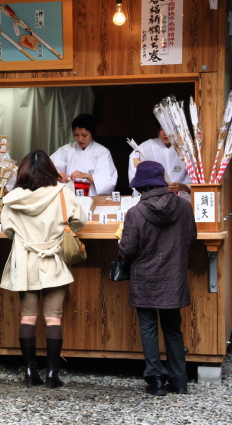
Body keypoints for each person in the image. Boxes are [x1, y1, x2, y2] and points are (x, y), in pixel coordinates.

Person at [0, 150, 86, 389]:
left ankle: (29, 372)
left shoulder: (12, 198)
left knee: (27, 316)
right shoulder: (63, 194)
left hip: (25, 262)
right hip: (53, 259)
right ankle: (52, 375)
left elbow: (7, 231)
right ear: (50, 171)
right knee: (52, 318)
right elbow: (80, 221)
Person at [119, 161, 196, 396]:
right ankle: (180, 381)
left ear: (141, 188)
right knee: (173, 329)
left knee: (149, 328)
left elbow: (127, 251)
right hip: (174, 277)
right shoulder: (183, 207)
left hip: (145, 279)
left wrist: (121, 244)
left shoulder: (136, 212)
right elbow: (191, 239)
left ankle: (157, 381)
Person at [50, 114, 117, 196]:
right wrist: (57, 174)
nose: (80, 139)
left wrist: (87, 176)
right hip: (69, 196)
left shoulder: (102, 152)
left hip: (92, 196)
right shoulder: (65, 150)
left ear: (92, 133)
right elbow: (48, 168)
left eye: (84, 135)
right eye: (76, 135)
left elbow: (107, 181)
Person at [128, 122, 191, 200]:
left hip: (180, 197)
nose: (166, 133)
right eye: (162, 129)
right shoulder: (145, 147)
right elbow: (135, 173)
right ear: (157, 130)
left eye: (169, 129)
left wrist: (183, 187)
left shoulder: (186, 149)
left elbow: (193, 175)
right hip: (151, 198)